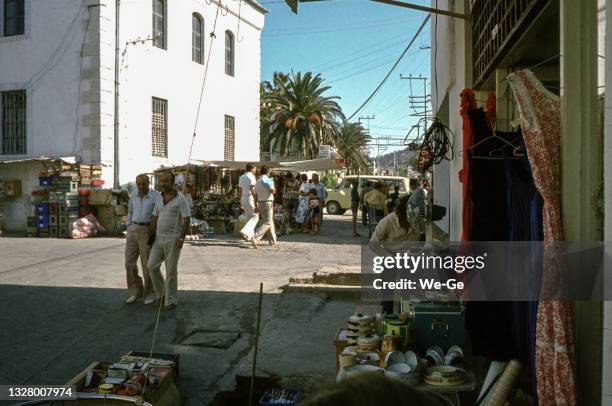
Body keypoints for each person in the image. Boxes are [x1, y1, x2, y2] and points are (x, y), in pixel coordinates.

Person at [147, 172, 191, 311]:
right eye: (162, 181)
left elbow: (186, 220)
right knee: (151, 266)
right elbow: (154, 218)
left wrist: (182, 238)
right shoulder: (159, 198)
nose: (163, 183)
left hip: (173, 239)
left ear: (173, 183)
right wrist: (151, 236)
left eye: (166, 181)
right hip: (158, 238)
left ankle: (171, 300)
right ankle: (161, 295)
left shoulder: (181, 199)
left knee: (171, 271)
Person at [125, 174, 160, 305]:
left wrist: (153, 231)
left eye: (143, 184)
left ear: (148, 183)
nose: (140, 186)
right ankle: (135, 291)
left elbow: (158, 214)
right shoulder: (133, 194)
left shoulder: (156, 196)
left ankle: (149, 293)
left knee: (147, 264)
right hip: (133, 229)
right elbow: (130, 211)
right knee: (129, 263)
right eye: (138, 184)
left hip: (146, 231)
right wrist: (129, 225)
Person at [251, 166, 277, 248]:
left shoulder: (257, 181)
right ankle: (255, 237)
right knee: (268, 222)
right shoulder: (268, 180)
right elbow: (273, 191)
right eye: (270, 172)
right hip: (267, 202)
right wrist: (273, 184)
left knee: (269, 221)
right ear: (268, 172)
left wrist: (256, 205)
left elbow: (255, 195)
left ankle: (272, 240)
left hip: (260, 202)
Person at [238, 163, 258, 241]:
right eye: (255, 169)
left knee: (248, 217)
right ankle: (246, 231)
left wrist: (240, 201)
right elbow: (253, 190)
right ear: (251, 169)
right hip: (250, 198)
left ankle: (249, 236)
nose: (256, 170)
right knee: (255, 216)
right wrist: (256, 202)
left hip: (243, 198)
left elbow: (239, 191)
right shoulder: (251, 177)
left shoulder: (241, 177)